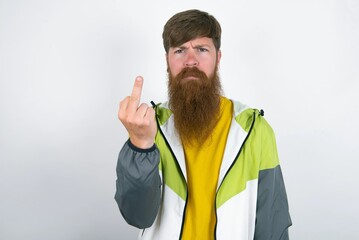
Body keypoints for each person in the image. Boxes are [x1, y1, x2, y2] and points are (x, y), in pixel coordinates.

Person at [115, 9, 292, 240]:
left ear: (218, 57)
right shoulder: (149, 126)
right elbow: (138, 216)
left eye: (201, 49)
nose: (191, 60)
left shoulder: (254, 130)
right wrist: (141, 145)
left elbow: (272, 224)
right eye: (179, 50)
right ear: (167, 60)